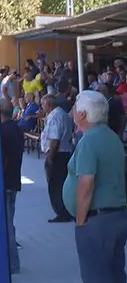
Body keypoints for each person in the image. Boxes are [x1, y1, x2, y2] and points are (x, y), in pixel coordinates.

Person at [65, 91, 127, 283]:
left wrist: (80, 221)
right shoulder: (112, 138)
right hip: (116, 215)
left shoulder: (89, 141)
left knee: (96, 277)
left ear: (82, 114)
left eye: (74, 108)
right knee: (114, 274)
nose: (72, 111)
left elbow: (86, 184)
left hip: (97, 219)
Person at [40, 93, 74, 223]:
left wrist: (50, 157)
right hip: (64, 152)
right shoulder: (63, 114)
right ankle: (66, 210)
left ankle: (61, 212)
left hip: (57, 154)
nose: (42, 107)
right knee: (63, 183)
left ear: (48, 104)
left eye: (43, 104)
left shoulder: (55, 116)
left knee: (55, 184)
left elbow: (55, 139)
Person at [0, 99, 22, 274]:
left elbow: (4, 159)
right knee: (9, 222)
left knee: (6, 225)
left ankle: (13, 263)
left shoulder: (3, 131)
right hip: (14, 180)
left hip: (6, 182)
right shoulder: (16, 129)